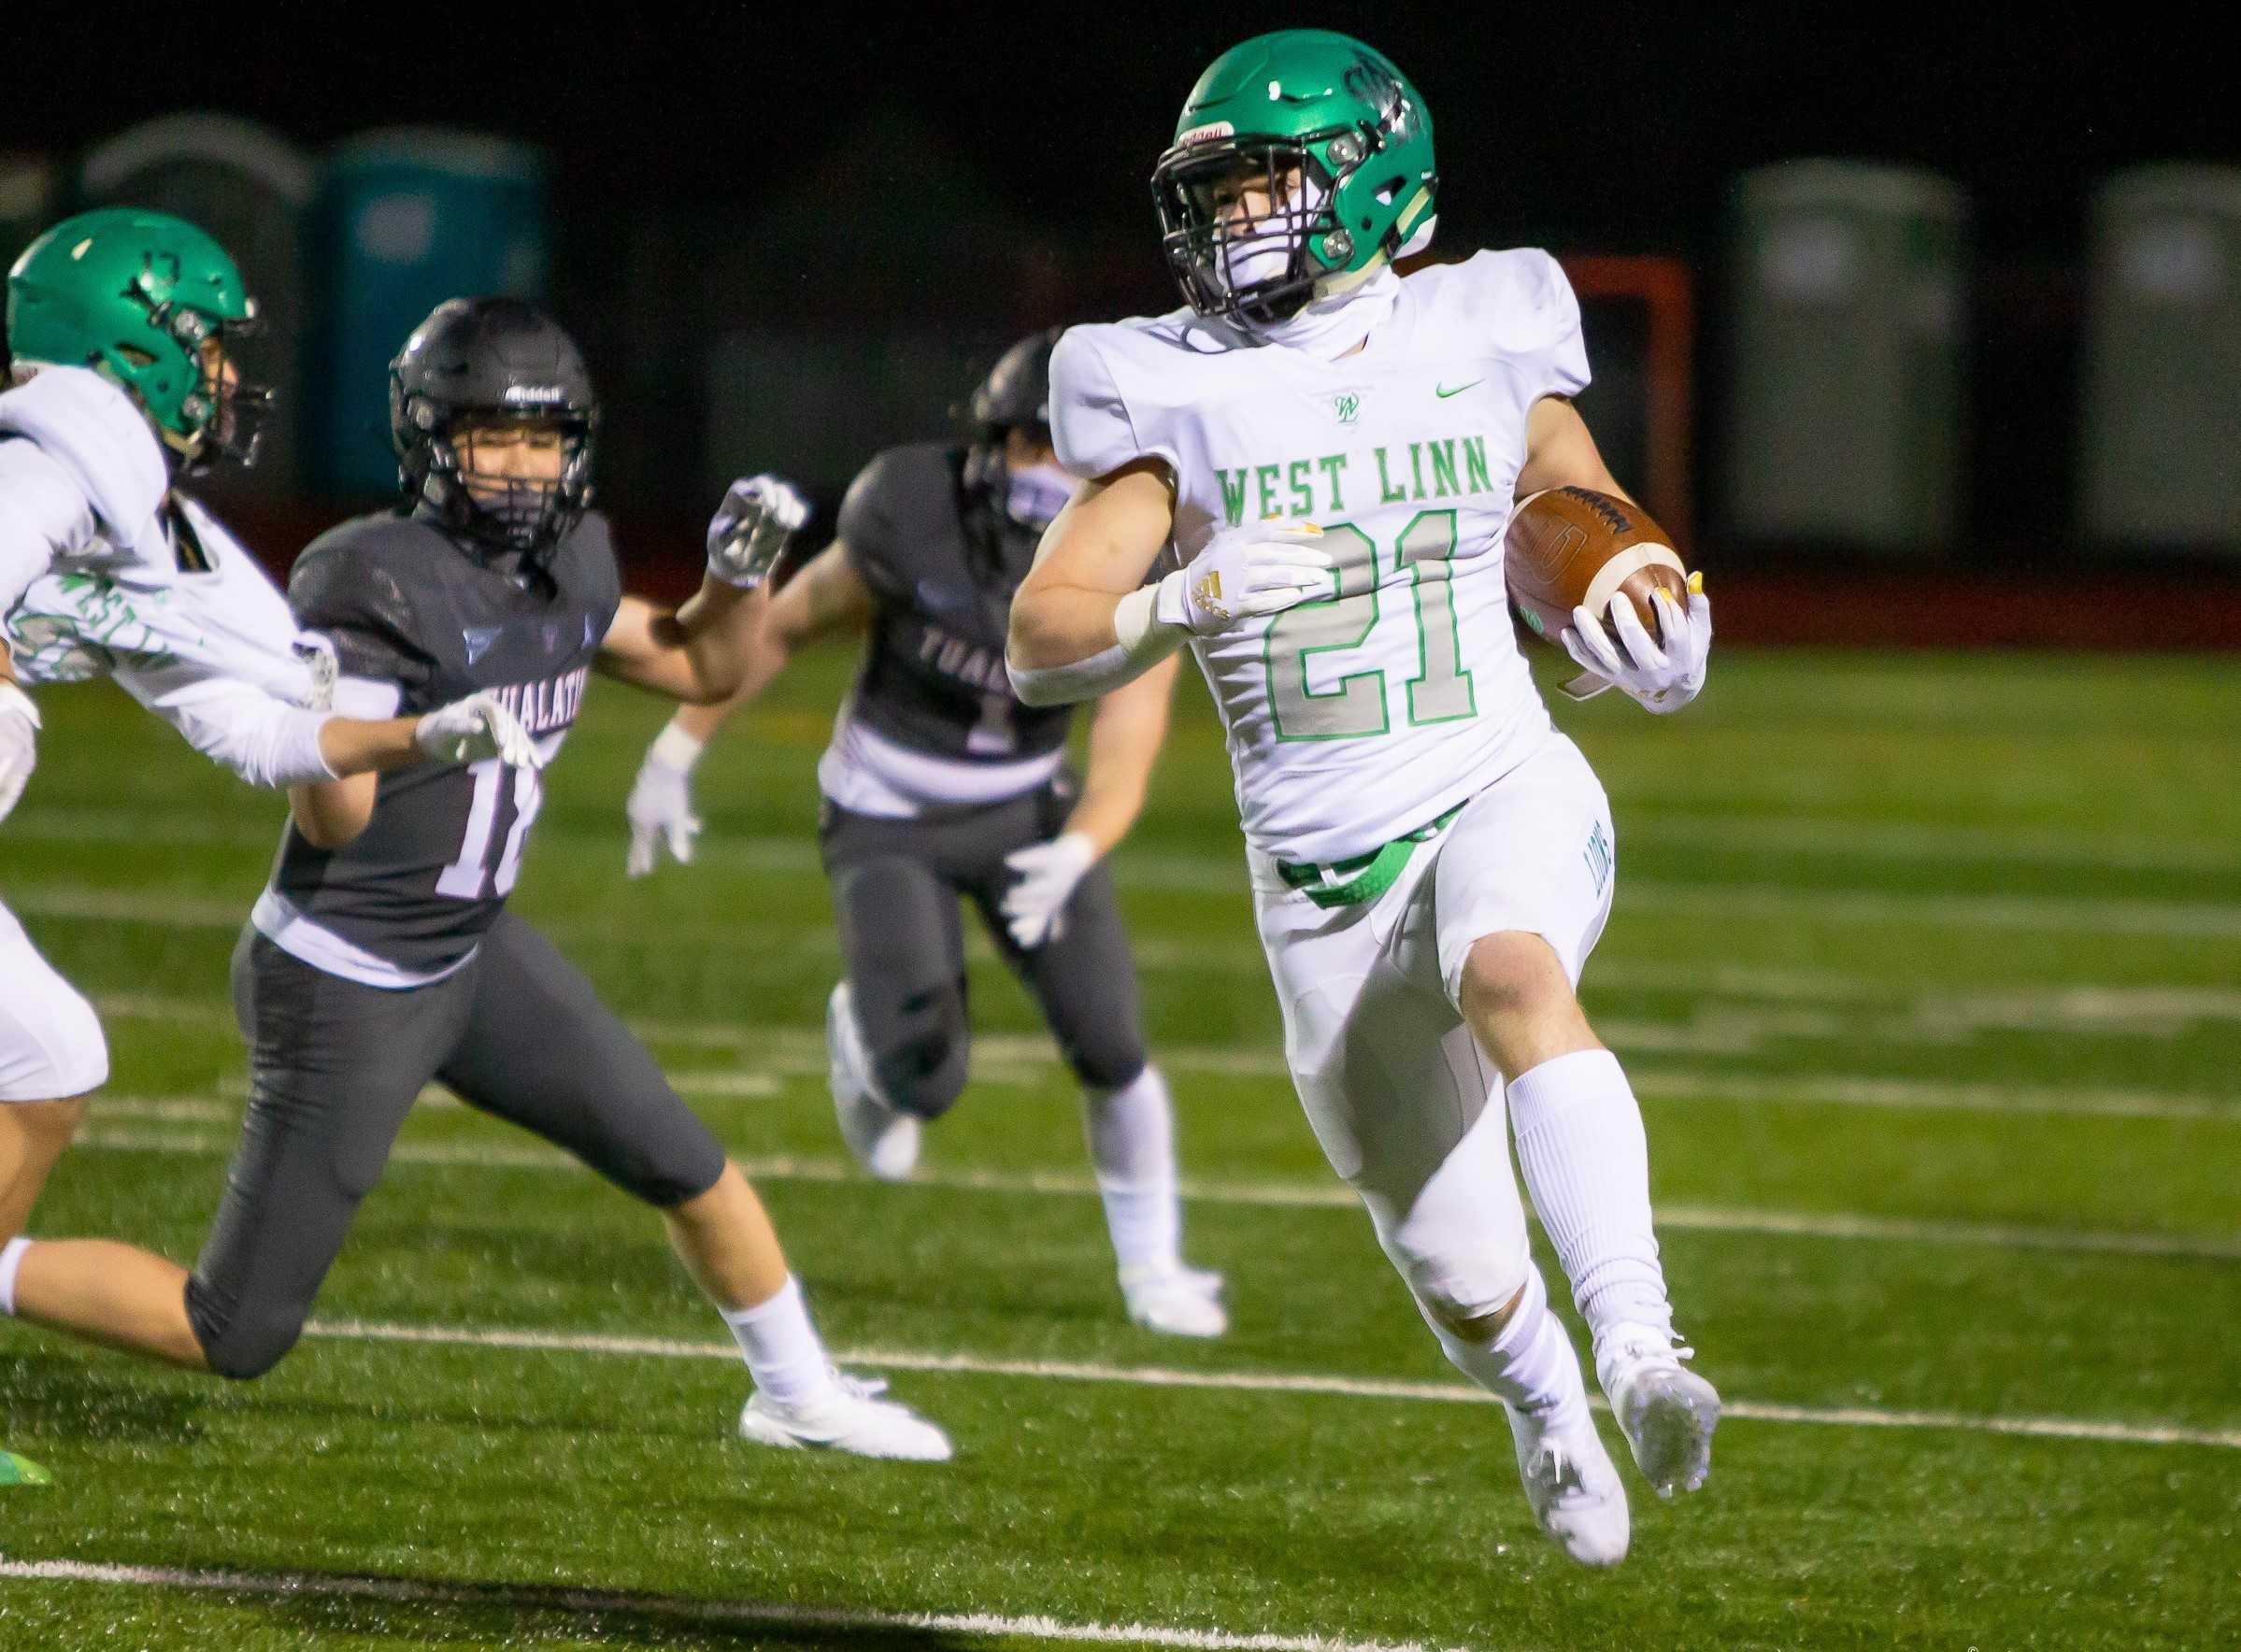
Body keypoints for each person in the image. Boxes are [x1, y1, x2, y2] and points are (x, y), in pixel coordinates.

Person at [1, 294, 951, 1463]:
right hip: (348, 977)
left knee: (682, 1159)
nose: (517, 464)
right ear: (431, 441)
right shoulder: (373, 575)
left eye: (540, 437)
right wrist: (377, 721)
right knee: (234, 1329)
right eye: (489, 435)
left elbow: (704, 663)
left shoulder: (574, 554)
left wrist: (735, 578)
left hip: (473, 948)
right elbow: (333, 814)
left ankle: (798, 1392)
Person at [1005, 30, 1720, 1567]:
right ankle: (1544, 1401)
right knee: (1460, 1274)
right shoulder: (1159, 384)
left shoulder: (1484, 318)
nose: (1224, 225)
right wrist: (1177, 594)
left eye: (1259, 185)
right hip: (1321, 884)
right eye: (1213, 193)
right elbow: (1040, 636)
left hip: (1494, 778)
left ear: (1368, 178)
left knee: (1514, 972)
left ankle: (1643, 1345)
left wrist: (1642, 597)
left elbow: (1570, 496)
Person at [1, 211, 540, 1481]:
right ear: (139, 348)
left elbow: (258, 731)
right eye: (212, 348)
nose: (231, 379)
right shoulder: (54, 458)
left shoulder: (137, 513)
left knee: (51, 1054)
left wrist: (413, 737)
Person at [624, 333, 1225, 1337]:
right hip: (888, 810)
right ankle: (864, 1034)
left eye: (1070, 450)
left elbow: (1130, 735)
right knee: (925, 1080)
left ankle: (1153, 1265)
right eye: (1030, 443)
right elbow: (780, 627)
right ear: (988, 443)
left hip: (1026, 806)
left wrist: (1080, 846)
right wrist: (676, 747)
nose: (1046, 471)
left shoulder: (1138, 552)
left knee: (1112, 1040)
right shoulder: (913, 513)